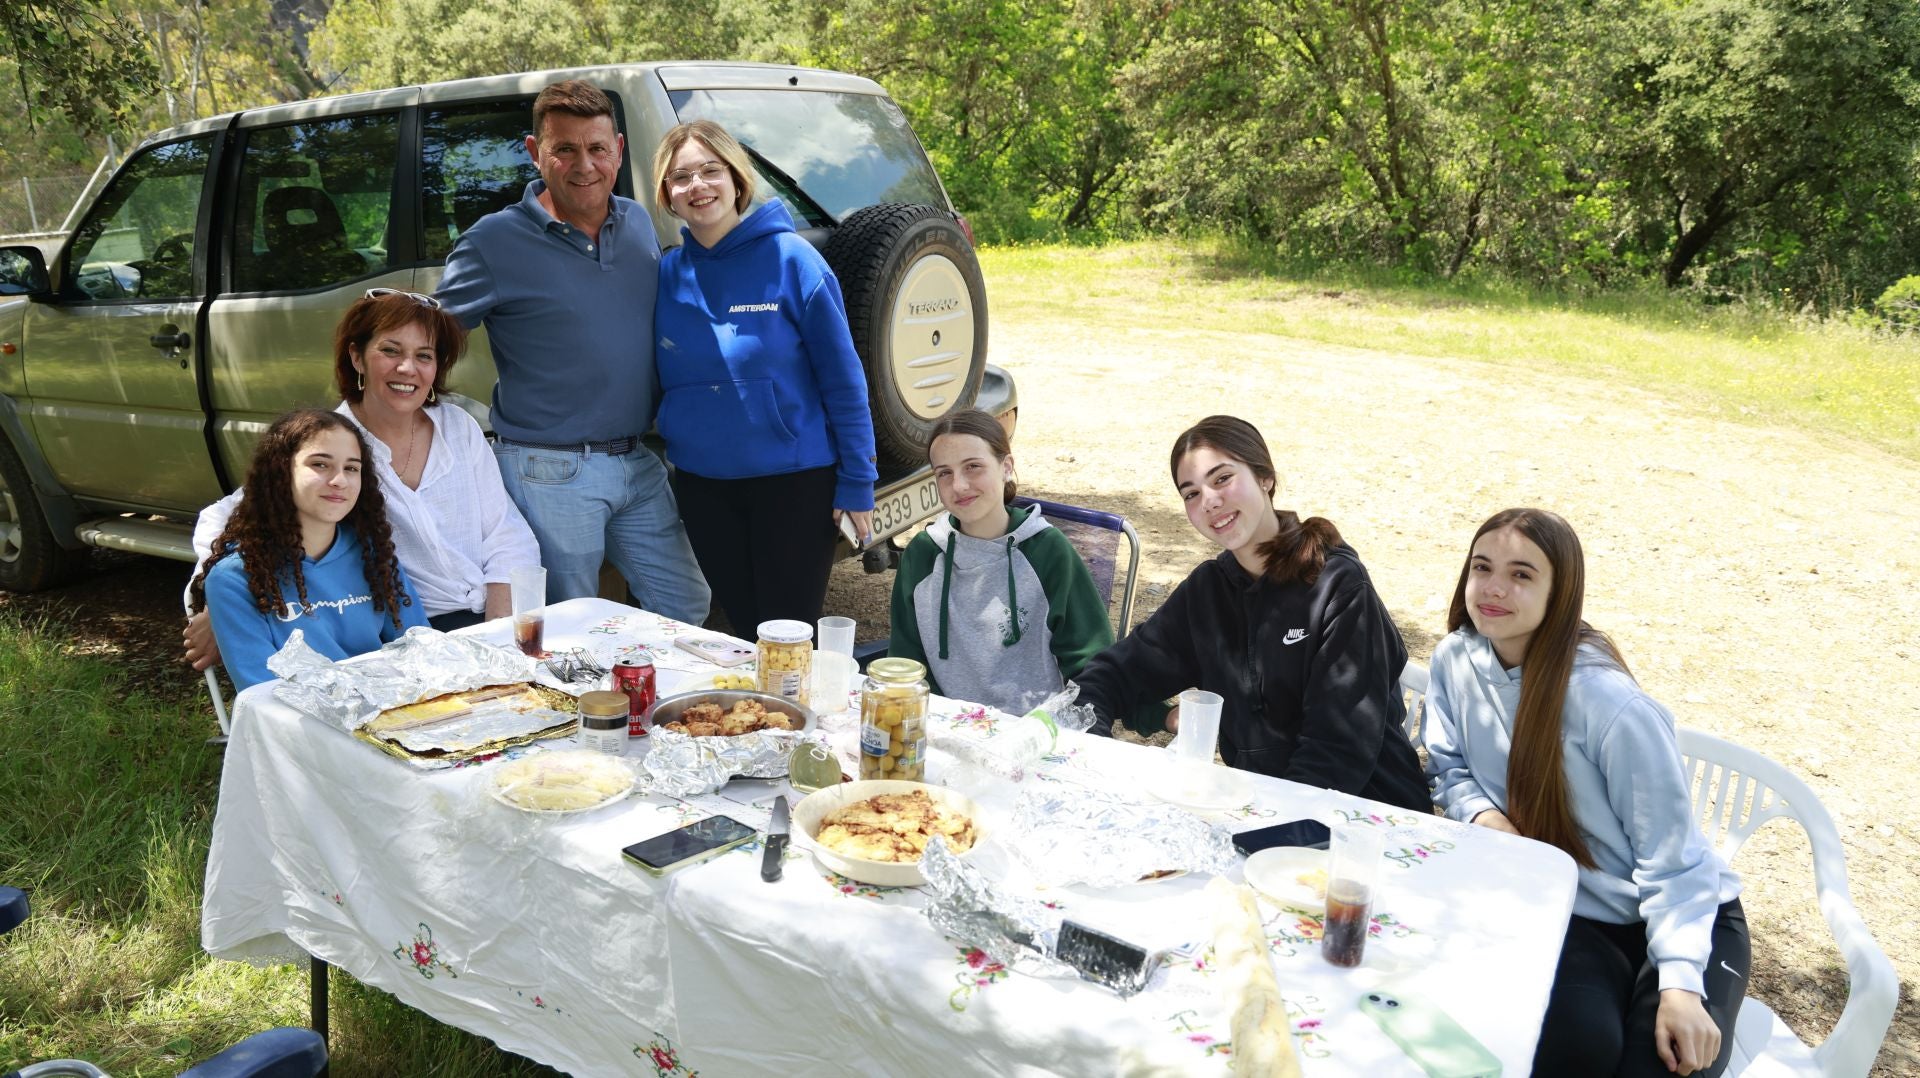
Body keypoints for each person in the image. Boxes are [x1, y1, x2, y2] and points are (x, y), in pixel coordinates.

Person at [1423, 508, 1747, 1077]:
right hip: (1573, 908)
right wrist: (1485, 819)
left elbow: (1674, 862)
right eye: (1482, 567)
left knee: (1662, 1065)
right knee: (1563, 1053)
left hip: (1686, 915)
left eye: (1522, 574)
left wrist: (1678, 987)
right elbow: (1449, 767)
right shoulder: (1455, 659)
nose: (1494, 588)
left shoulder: (1607, 702)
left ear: (1561, 592)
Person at [436, 79, 709, 623]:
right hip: (549, 469)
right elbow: (429, 338)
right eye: (565, 149)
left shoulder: (634, 223)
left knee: (686, 602)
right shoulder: (491, 242)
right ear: (536, 153)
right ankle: (586, 711)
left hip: (637, 458)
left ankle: (645, 704)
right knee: (569, 627)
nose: (584, 165)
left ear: (618, 151)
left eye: (597, 149)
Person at [1072, 415, 1429, 812]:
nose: (1208, 500)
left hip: (1368, 816)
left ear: (1265, 477)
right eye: (1190, 493)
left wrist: (1264, 828)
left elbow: (1336, 754)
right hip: (1259, 805)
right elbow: (1110, 676)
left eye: (1222, 478)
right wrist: (1090, 756)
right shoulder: (1209, 592)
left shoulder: (1339, 587)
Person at [183, 290, 542, 671]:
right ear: (356, 357)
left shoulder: (458, 427)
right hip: (411, 630)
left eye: (424, 356)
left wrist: (499, 636)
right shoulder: (332, 444)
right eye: (390, 351)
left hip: (492, 617)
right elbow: (225, 517)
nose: (408, 368)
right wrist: (215, 604)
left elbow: (505, 533)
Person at [649, 119, 877, 631]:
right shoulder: (667, 272)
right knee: (744, 633)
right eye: (681, 177)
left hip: (793, 485)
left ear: (736, 178)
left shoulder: (794, 260)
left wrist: (858, 481)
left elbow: (843, 382)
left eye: (711, 170)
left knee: (788, 639)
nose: (698, 186)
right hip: (704, 488)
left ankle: (800, 715)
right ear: (667, 193)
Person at [886, 408, 1110, 712]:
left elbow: (1090, 659)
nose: (959, 486)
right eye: (944, 473)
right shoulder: (924, 554)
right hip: (943, 730)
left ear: (1006, 467)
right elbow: (906, 662)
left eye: (973, 467)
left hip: (1031, 734)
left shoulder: (1047, 551)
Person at [190, 409, 427, 691]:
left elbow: (420, 649)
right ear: (280, 471)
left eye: (351, 468)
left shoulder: (373, 555)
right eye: (320, 464)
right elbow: (262, 691)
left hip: (391, 714)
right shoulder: (235, 578)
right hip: (302, 726)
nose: (339, 480)